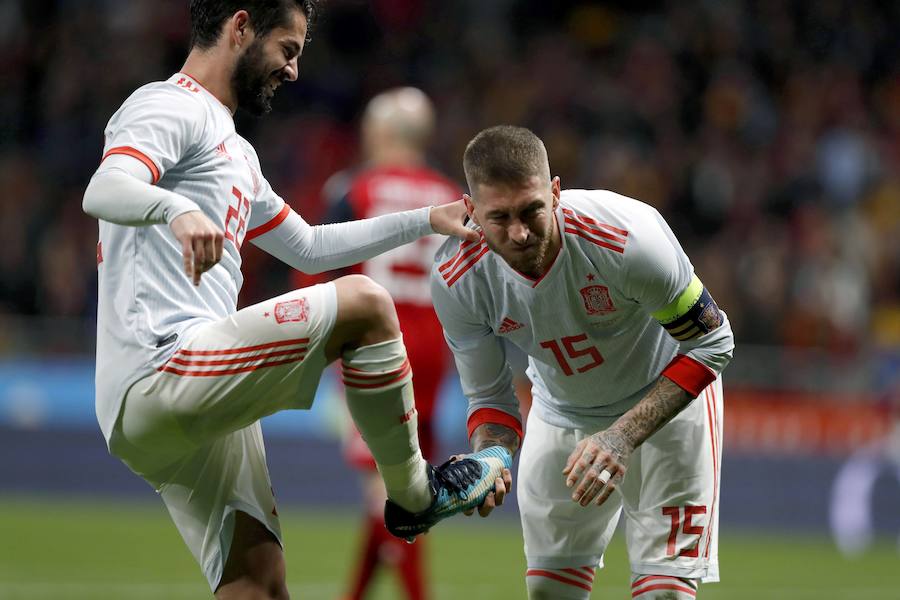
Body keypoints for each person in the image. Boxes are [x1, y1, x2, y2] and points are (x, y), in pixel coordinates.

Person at [81, 2, 510, 598]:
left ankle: (410, 499)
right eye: (288, 49)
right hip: (162, 366)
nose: (293, 71)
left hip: (185, 397)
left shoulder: (237, 152)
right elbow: (105, 185)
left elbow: (308, 247)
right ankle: (416, 496)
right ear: (240, 27)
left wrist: (426, 220)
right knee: (365, 303)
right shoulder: (168, 104)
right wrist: (175, 208)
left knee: (258, 582)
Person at [430, 125, 734, 599]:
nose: (520, 232)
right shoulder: (458, 278)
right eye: (499, 218)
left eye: (532, 209)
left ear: (555, 192)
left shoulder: (628, 238)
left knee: (664, 594)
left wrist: (622, 435)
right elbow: (490, 398)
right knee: (551, 593)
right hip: (560, 412)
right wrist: (489, 458)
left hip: (669, 410)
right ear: (470, 211)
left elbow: (714, 342)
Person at [317, 87, 460, 600]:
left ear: (379, 134)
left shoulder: (355, 187)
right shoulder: (451, 197)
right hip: (433, 354)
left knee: (389, 492)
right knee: (399, 485)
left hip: (372, 347)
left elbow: (319, 267)